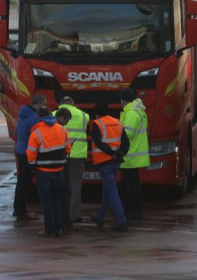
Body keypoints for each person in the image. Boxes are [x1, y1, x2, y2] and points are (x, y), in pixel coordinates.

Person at [27, 106, 71, 237]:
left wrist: (33, 167)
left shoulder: (36, 132)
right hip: (59, 170)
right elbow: (68, 149)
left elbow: (31, 154)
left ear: (39, 118)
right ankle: (58, 228)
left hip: (43, 172)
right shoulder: (62, 129)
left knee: (47, 202)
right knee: (57, 200)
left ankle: (50, 230)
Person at [89, 102, 130, 231]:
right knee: (107, 191)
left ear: (97, 113)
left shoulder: (96, 124)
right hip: (116, 161)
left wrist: (111, 153)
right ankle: (100, 218)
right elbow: (126, 142)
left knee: (112, 192)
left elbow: (98, 142)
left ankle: (122, 221)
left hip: (104, 161)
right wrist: (120, 153)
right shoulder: (117, 122)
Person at [55, 96, 90, 223]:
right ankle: (74, 214)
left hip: (60, 155)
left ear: (60, 104)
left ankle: (60, 213)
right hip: (78, 155)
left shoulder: (53, 114)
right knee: (75, 185)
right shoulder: (84, 115)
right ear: (73, 104)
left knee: (59, 185)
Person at [13, 93, 46, 219]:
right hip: (29, 153)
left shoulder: (22, 115)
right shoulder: (34, 118)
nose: (43, 108)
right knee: (25, 183)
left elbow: (17, 132)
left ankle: (18, 208)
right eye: (43, 105)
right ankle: (20, 211)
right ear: (37, 104)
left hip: (21, 151)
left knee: (21, 182)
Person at [119, 88, 149, 221]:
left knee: (129, 187)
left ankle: (132, 212)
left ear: (123, 100)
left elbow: (128, 134)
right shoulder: (139, 111)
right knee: (134, 185)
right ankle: (135, 211)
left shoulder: (131, 113)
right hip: (135, 154)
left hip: (130, 155)